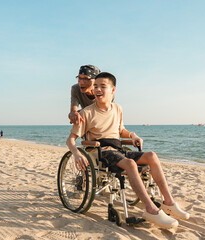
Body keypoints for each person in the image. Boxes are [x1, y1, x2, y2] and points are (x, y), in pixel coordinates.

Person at [66, 72, 190, 229]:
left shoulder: (117, 108)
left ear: (113, 90)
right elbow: (70, 139)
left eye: (102, 86)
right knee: (130, 163)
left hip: (117, 149)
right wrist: (76, 153)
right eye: (96, 86)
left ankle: (169, 203)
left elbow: (121, 130)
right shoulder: (86, 113)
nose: (98, 89)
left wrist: (132, 135)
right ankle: (151, 209)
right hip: (100, 151)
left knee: (152, 156)